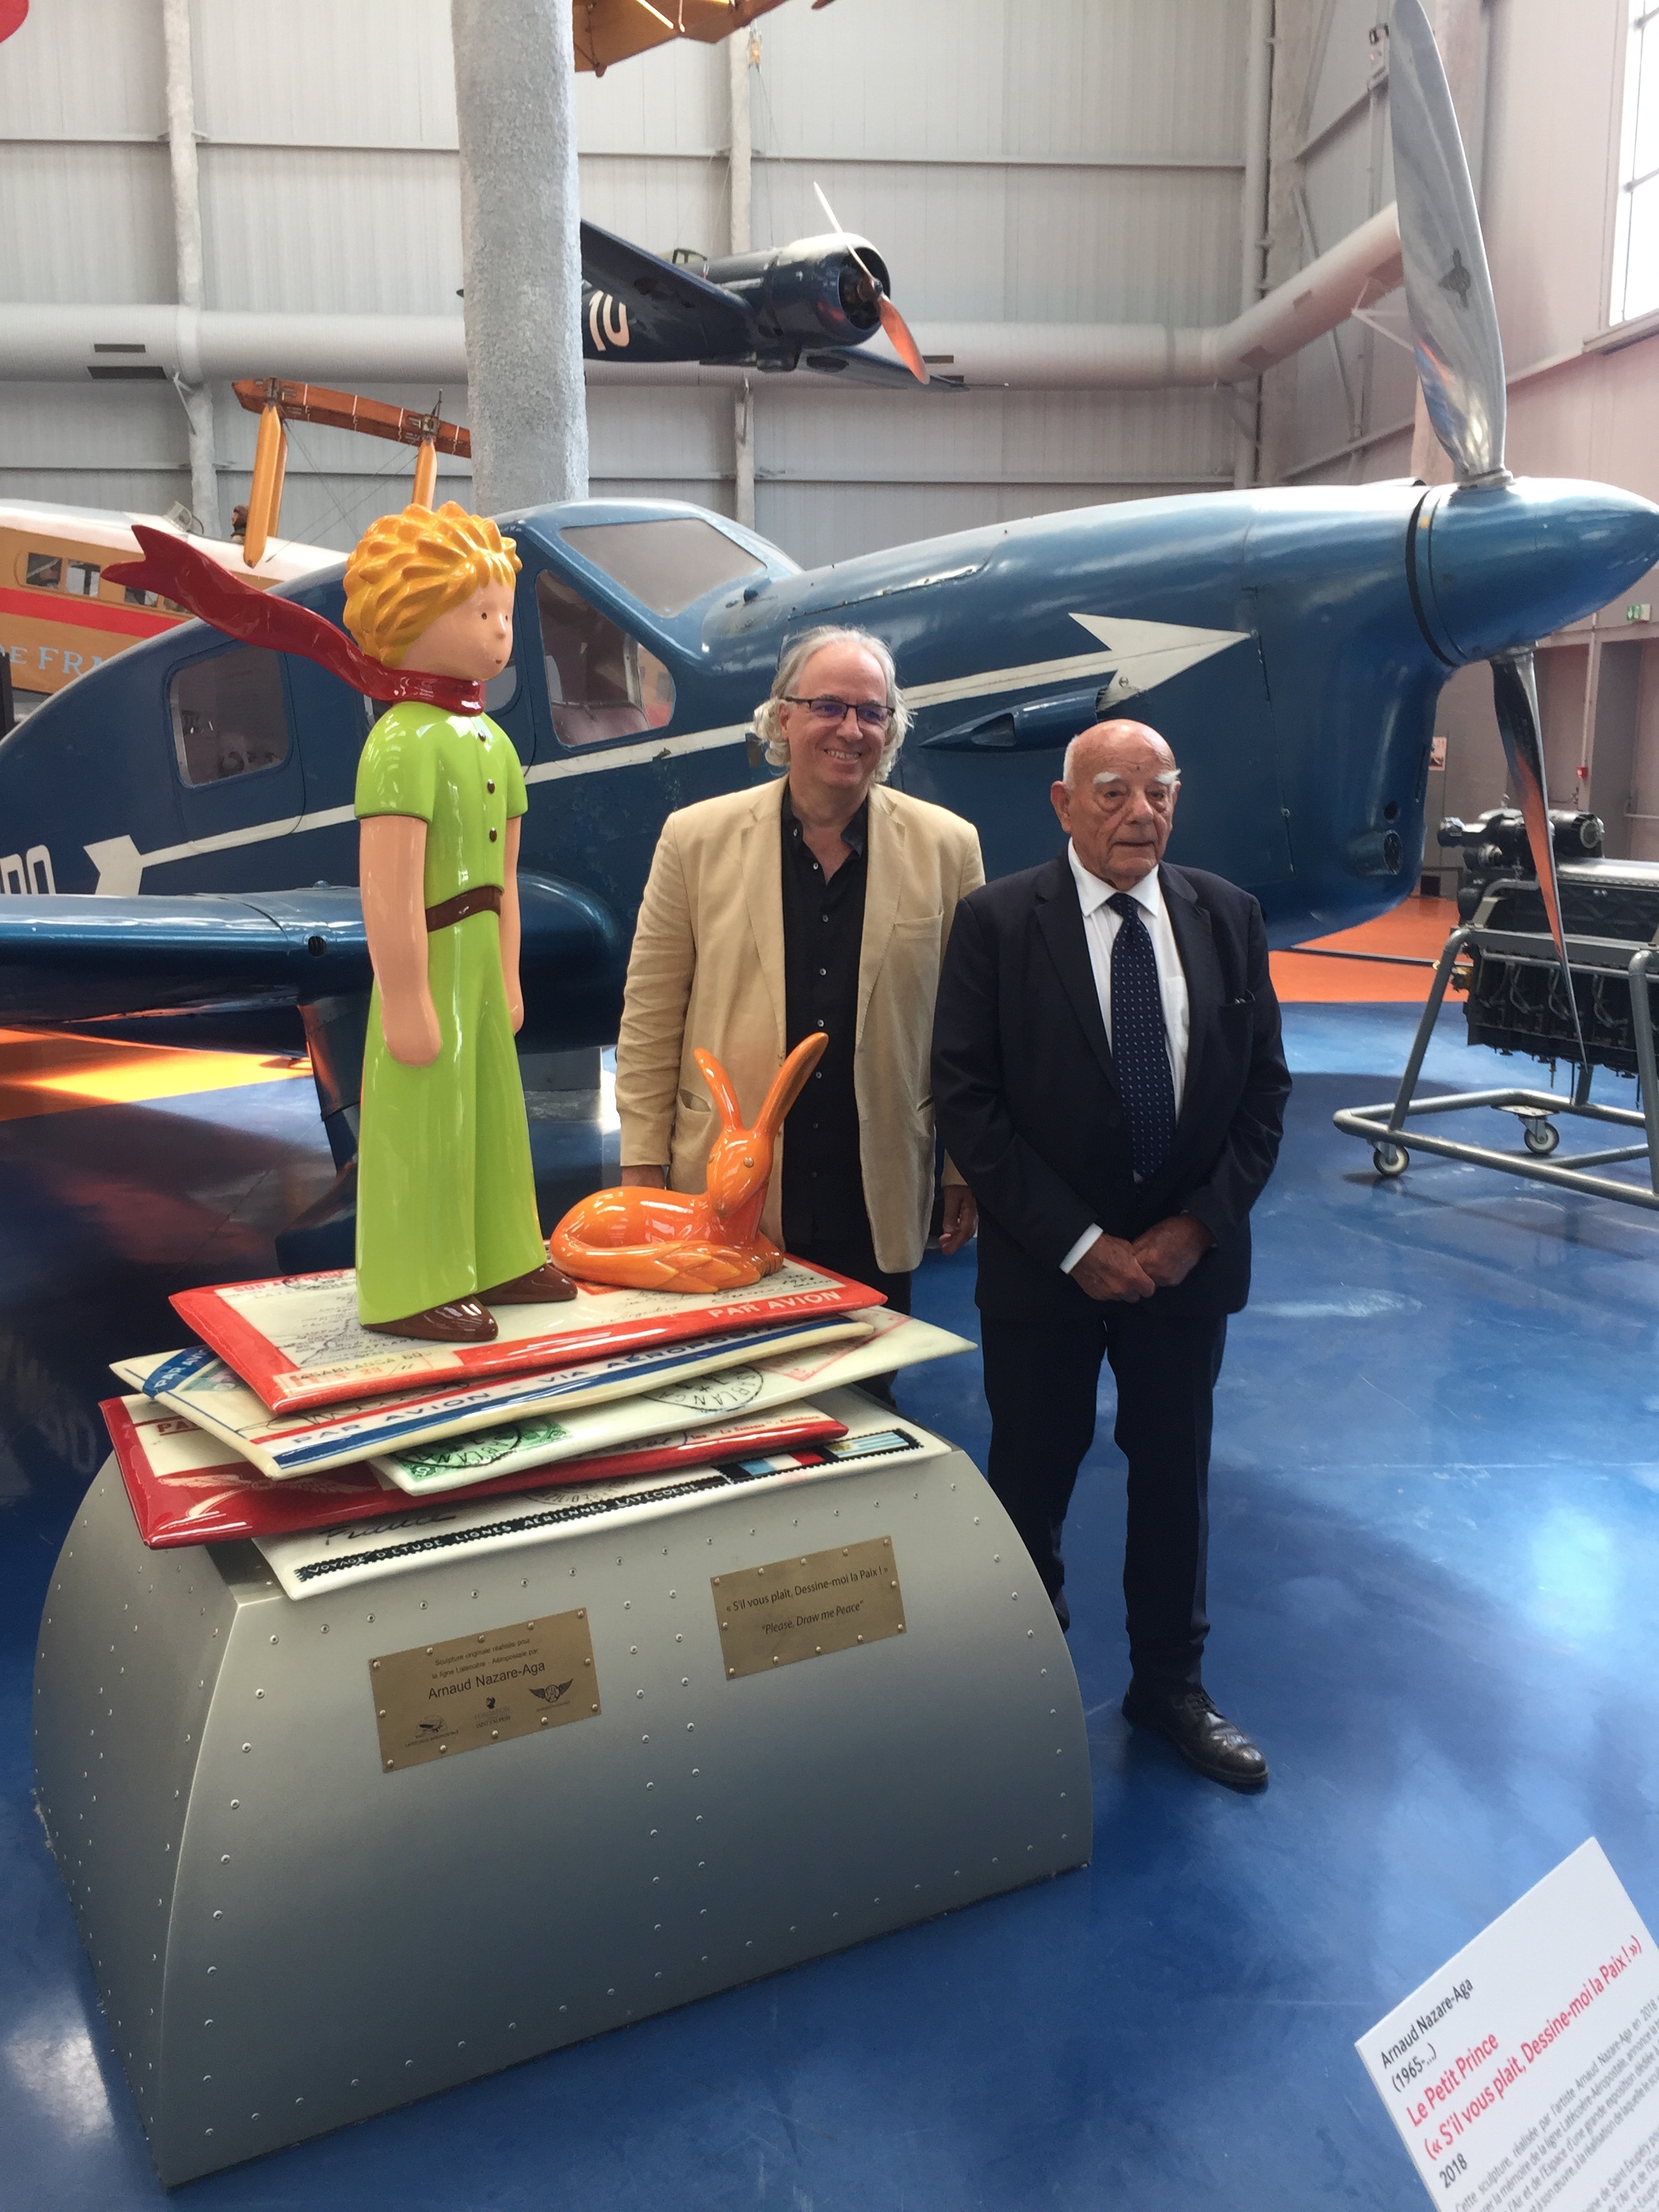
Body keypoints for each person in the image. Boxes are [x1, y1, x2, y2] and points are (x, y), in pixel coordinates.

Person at [930, 719, 1290, 1788]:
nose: (1142, 813)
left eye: (1160, 791)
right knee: (1030, 1475)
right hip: (1047, 1271)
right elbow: (968, 1098)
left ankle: (1169, 1685)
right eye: (1114, 792)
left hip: (1183, 1274)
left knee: (1174, 1481)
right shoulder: (997, 923)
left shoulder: (1229, 917)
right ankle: (1021, 1677)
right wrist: (1078, 1243)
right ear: (1062, 802)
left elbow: (1264, 1093)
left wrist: (1195, 1229)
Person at [614, 626, 984, 1323]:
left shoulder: (949, 848)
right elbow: (651, 1013)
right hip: (728, 1189)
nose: (851, 729)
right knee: (740, 1401)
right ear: (784, 717)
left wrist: (964, 1170)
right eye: (829, 706)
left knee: (869, 1397)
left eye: (872, 712)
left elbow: (966, 1028)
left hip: (873, 1190)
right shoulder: (693, 841)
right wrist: (641, 1165)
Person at [347, 504, 574, 1340]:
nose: (498, 632)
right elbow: (389, 884)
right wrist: (404, 993)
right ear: (407, 617)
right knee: (424, 1118)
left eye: (504, 614)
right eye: (480, 614)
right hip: (431, 947)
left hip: (481, 952)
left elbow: (507, 878)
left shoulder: (491, 742)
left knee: (495, 1109)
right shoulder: (401, 743)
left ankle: (503, 1251)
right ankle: (415, 1280)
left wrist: (509, 974)